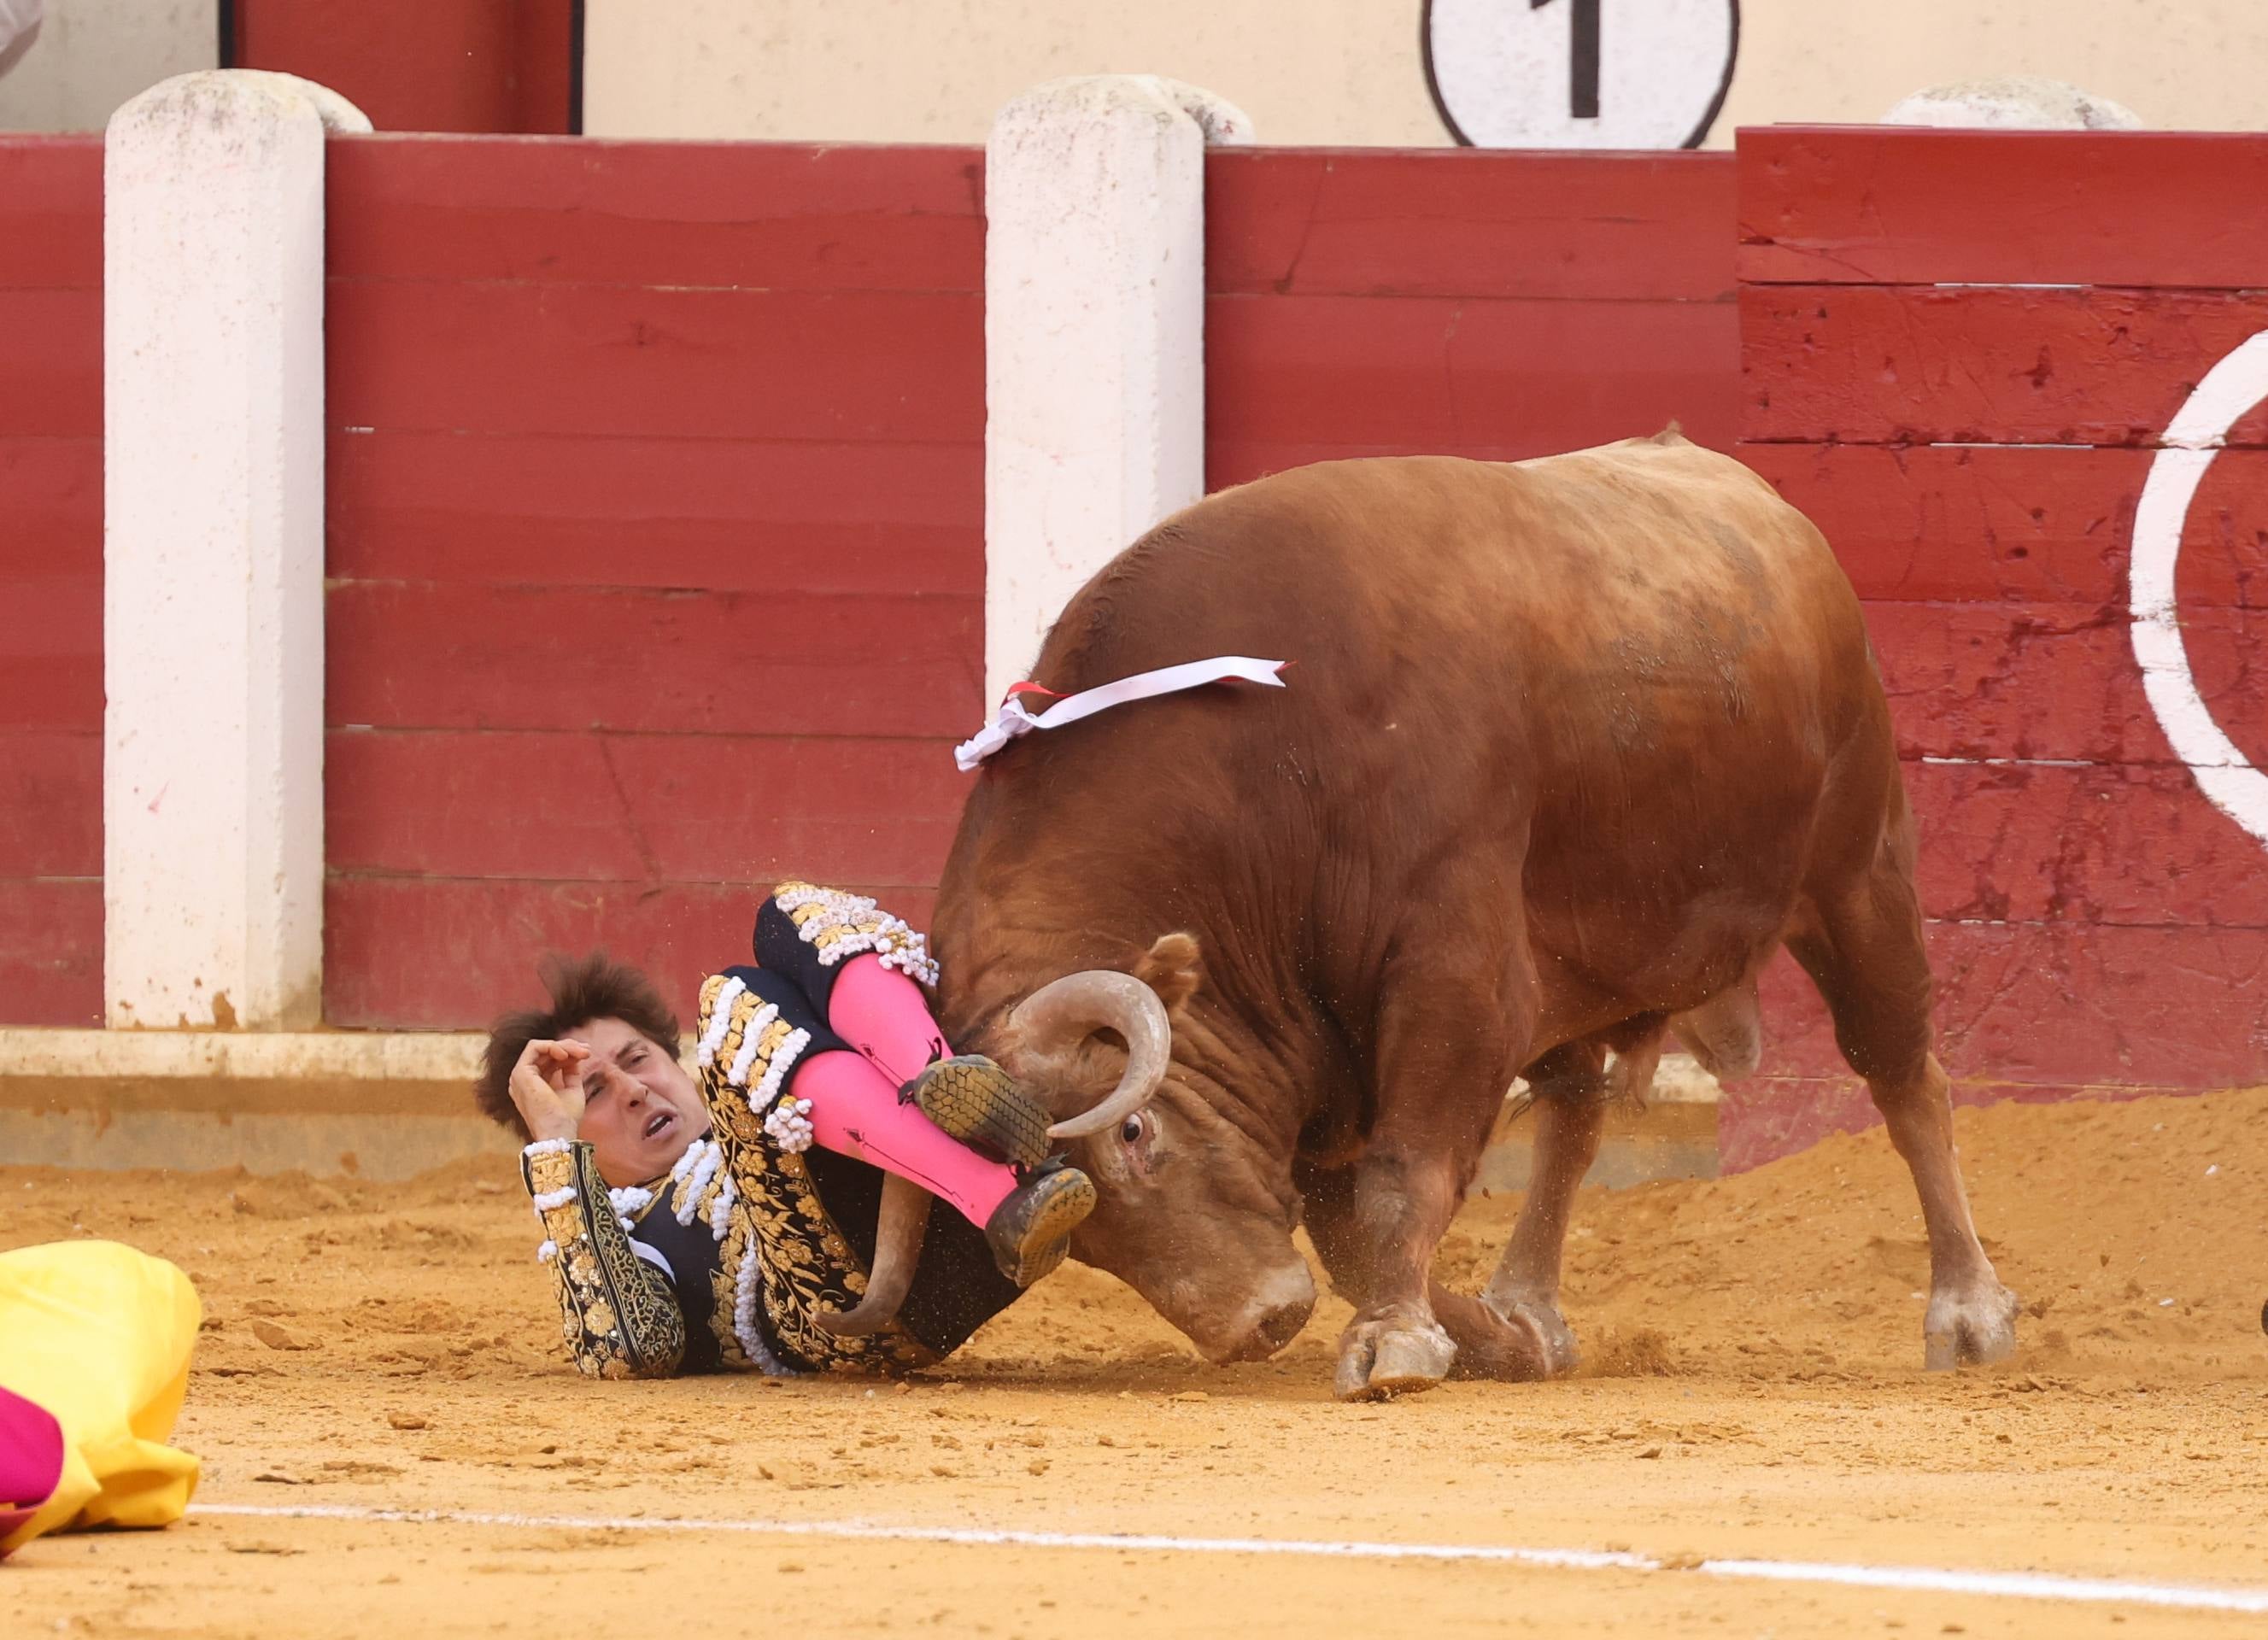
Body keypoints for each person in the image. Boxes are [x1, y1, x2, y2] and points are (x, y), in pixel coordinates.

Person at [476, 882, 1093, 1379]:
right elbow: (631, 1350)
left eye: (637, 1060)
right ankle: (991, 1189)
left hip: (975, 1241)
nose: (634, 1091)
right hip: (857, 1313)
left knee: (788, 911)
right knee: (730, 1000)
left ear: (672, 1061)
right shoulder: (624, 1231)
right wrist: (555, 1146)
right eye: (595, 1094)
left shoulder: (772, 1103)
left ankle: (938, 1082)